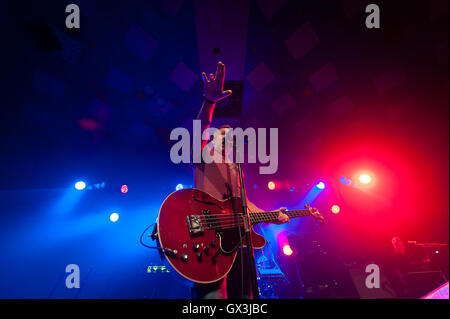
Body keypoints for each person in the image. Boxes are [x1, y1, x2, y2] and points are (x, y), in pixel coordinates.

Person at [191, 61, 290, 299]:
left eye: (233, 137)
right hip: (208, 237)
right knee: (214, 296)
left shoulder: (236, 168)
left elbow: (243, 205)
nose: (230, 140)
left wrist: (271, 215)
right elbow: (199, 130)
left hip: (235, 240)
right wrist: (209, 102)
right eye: (223, 136)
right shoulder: (205, 154)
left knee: (246, 296)